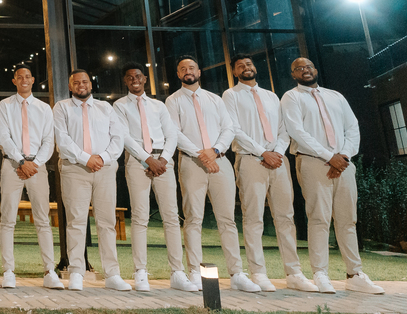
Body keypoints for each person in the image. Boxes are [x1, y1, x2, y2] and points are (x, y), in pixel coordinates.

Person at [280, 57, 384, 294]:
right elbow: (297, 131)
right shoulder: (291, 97)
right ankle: (320, 274)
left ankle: (354, 274)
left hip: (343, 164)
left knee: (348, 220)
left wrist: (343, 156)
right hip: (313, 162)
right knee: (319, 218)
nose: (305, 70)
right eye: (299, 68)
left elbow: (352, 127)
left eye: (308, 66)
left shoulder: (335, 96)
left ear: (315, 70)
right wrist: (329, 156)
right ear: (293, 75)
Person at [222, 54, 319, 292]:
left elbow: (283, 129)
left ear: (255, 67)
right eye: (240, 66)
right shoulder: (230, 95)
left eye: (249, 64)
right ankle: (258, 273)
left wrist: (276, 152)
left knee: (285, 217)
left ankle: (294, 273)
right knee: (253, 217)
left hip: (278, 161)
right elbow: (234, 129)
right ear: (234, 72)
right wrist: (262, 152)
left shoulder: (271, 96)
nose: (246, 68)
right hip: (250, 159)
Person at [165, 56, 260, 292]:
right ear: (178, 74)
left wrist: (215, 151)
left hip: (220, 161)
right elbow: (174, 133)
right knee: (193, 218)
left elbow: (229, 128)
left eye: (192, 67)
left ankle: (236, 273)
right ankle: (195, 272)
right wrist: (201, 154)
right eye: (183, 69)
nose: (188, 71)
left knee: (227, 220)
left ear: (199, 71)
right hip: (191, 162)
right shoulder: (172, 100)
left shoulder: (214, 99)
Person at [111, 62, 197, 292]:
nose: (134, 80)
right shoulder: (119, 106)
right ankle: (140, 272)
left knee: (171, 217)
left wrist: (163, 160)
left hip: (164, 162)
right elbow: (124, 136)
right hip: (137, 161)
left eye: (138, 76)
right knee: (140, 217)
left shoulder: (159, 106)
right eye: (130, 77)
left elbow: (171, 134)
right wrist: (148, 160)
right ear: (125, 81)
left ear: (145, 79)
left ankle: (177, 272)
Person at [53, 69, 130, 291]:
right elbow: (62, 139)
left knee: (107, 222)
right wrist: (86, 158)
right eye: (76, 82)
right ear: (70, 86)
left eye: (85, 81)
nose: (81, 85)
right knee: (76, 221)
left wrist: (102, 158)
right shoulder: (61, 108)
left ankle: (112, 274)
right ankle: (77, 272)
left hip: (104, 169)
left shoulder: (106, 108)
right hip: (75, 169)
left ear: (90, 84)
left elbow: (118, 138)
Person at [0, 65, 62, 289]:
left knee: (43, 219)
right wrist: (21, 162)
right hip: (12, 165)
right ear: (14, 81)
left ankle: (49, 271)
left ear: (33, 80)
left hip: (37, 167)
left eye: (27, 76)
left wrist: (34, 164)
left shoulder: (44, 108)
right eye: (19, 77)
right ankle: (8, 271)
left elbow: (49, 140)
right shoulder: (4, 106)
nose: (24, 80)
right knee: (7, 220)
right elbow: (4, 137)